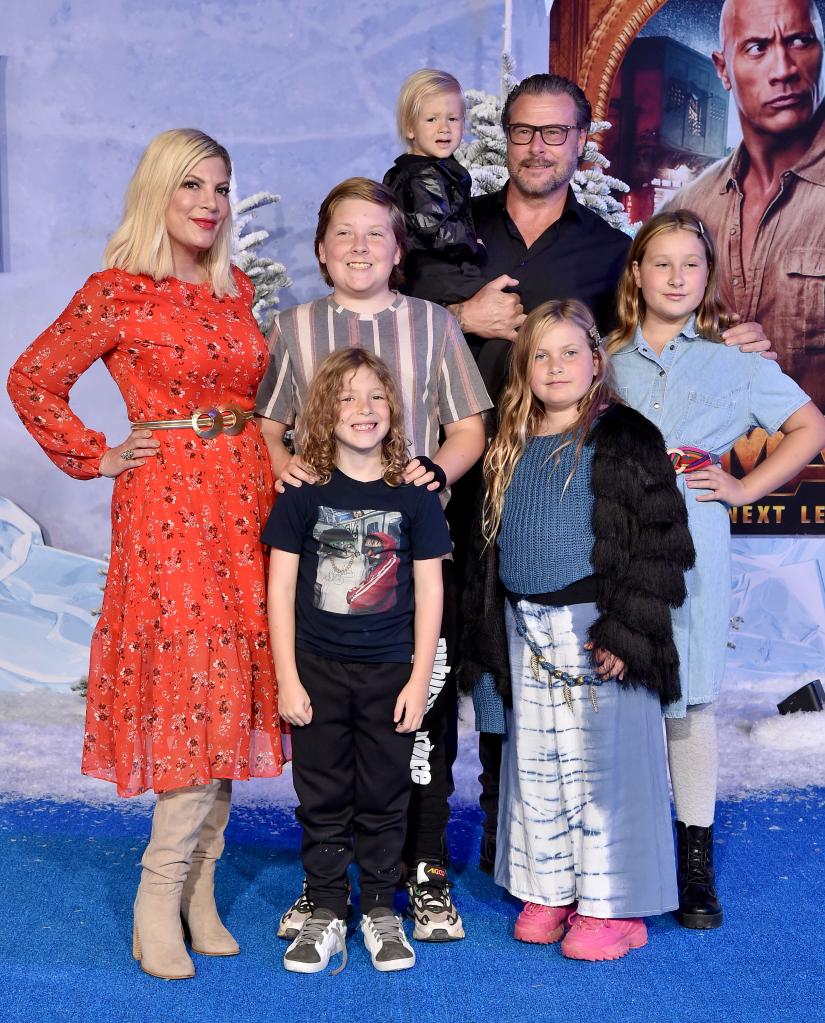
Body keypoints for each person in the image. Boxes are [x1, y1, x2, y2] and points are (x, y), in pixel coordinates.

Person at [450, 71, 774, 878]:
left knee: (560, 664)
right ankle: (488, 843)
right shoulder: (451, 234)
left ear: (579, 143)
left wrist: (726, 341)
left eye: (555, 133)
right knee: (478, 661)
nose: (536, 146)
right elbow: (387, 310)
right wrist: (456, 316)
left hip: (561, 494)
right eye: (522, 130)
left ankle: (564, 843)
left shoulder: (604, 250)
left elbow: (645, 330)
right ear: (506, 137)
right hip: (455, 473)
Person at [6, 129, 283, 980]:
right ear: (157, 192)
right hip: (168, 506)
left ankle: (201, 887)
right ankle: (156, 897)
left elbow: (253, 396)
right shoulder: (117, 291)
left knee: (232, 682)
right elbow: (31, 378)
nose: (209, 202)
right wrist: (96, 452)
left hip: (245, 497)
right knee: (191, 683)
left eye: (221, 187)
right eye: (191, 185)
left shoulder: (235, 288)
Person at [255, 177, 490, 942]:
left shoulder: (432, 325)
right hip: (328, 566)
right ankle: (326, 883)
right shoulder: (295, 328)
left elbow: (466, 430)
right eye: (344, 235)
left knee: (418, 719)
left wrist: (436, 475)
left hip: (411, 556)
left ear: (398, 249)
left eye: (375, 235)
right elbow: (268, 426)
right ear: (323, 252)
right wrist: (280, 463)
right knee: (329, 730)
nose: (360, 248)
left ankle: (419, 872)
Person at [607, 210, 825, 928]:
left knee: (689, 696)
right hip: (609, 545)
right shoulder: (603, 359)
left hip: (691, 546)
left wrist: (743, 486)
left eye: (690, 265)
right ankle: (612, 851)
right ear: (636, 273)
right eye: (659, 263)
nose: (674, 276)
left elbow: (808, 427)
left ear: (707, 279)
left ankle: (692, 861)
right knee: (616, 691)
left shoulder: (736, 364)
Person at [460, 298, 695, 961]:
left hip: (598, 630)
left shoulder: (623, 435)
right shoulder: (509, 439)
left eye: (569, 351)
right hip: (525, 629)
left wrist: (627, 632)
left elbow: (660, 542)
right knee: (538, 771)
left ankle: (611, 907)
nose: (555, 366)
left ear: (596, 359)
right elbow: (488, 549)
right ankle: (551, 888)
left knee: (602, 775)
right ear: (522, 366)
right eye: (540, 354)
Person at [265, 348, 451, 974]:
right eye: (346, 398)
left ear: (393, 410)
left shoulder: (415, 497)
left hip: (389, 673)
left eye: (375, 396)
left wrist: (420, 678)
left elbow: (430, 590)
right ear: (322, 412)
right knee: (321, 795)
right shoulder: (301, 494)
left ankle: (378, 907)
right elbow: (280, 589)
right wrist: (287, 677)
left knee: (383, 793)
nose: (363, 410)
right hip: (316, 671)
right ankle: (324, 909)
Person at [663, 0, 825, 408]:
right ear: (723, 69)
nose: (783, 69)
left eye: (801, 41)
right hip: (704, 464)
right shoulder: (687, 208)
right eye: (756, 47)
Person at [383, 68, 483, 305]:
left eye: (453, 118)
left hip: (436, 273)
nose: (444, 128)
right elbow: (436, 231)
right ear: (410, 128)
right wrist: (474, 246)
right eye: (431, 119)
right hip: (435, 276)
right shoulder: (422, 175)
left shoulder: (434, 169)